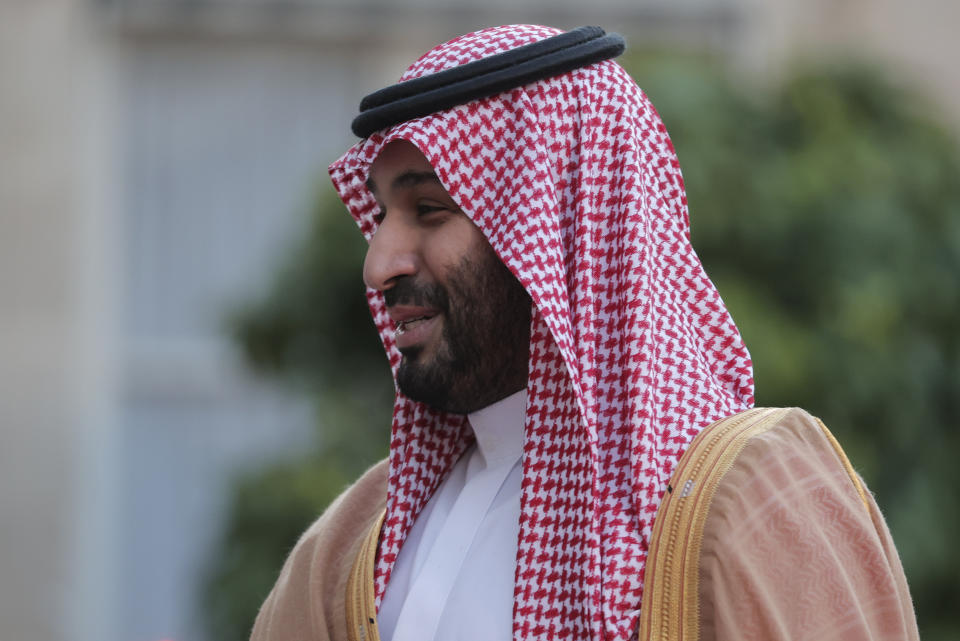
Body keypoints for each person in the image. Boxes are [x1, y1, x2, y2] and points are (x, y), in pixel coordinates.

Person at [251, 25, 919, 641]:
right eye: (381, 215)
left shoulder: (755, 503)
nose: (377, 264)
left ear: (557, 228)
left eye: (429, 209)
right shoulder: (351, 544)